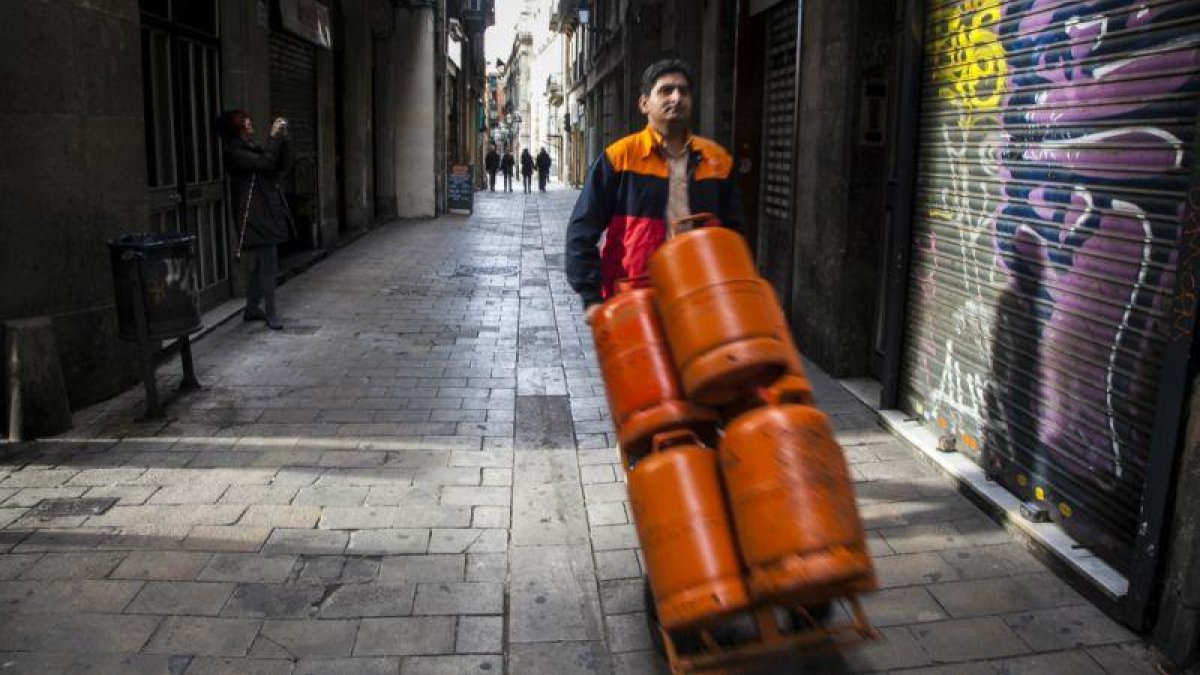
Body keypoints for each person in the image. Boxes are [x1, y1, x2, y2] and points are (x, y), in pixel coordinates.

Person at [564, 59, 743, 310]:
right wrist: (591, 296)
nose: (677, 98)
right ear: (644, 103)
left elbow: (734, 234)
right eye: (666, 90)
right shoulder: (620, 158)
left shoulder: (717, 160)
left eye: (683, 91)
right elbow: (582, 229)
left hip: (700, 297)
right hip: (634, 300)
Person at [215, 110, 294, 330]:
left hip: (265, 211)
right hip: (253, 216)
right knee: (268, 264)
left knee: (260, 265)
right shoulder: (233, 152)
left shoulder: (253, 147)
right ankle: (271, 314)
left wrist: (284, 139)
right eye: (244, 120)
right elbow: (266, 163)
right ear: (236, 128)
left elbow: (281, 166)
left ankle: (251, 308)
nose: (249, 121)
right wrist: (273, 137)